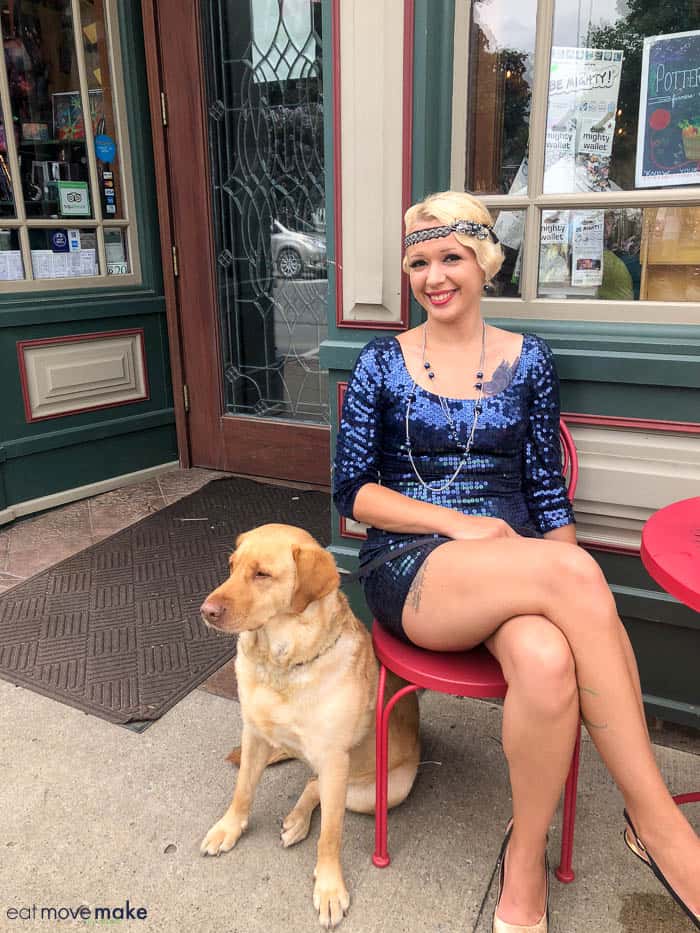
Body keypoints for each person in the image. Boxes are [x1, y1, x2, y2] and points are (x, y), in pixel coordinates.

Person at [332, 190, 700, 933]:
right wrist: (459, 525)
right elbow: (353, 494)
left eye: (451, 257)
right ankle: (660, 828)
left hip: (521, 566)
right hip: (413, 565)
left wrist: (562, 589)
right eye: (419, 263)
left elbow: (543, 490)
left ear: (485, 263)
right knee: (566, 575)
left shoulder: (530, 360)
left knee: (546, 658)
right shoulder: (382, 361)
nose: (434, 276)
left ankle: (524, 862)